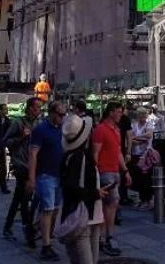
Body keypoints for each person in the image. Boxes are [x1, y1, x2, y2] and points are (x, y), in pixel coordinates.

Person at [59, 111, 106, 264]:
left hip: (89, 216)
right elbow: (70, 187)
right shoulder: (79, 157)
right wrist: (95, 192)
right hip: (82, 217)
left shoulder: (74, 155)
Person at [91, 101, 129, 257]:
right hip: (105, 171)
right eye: (119, 112)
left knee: (112, 205)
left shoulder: (116, 130)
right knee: (109, 206)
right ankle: (106, 238)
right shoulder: (101, 129)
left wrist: (125, 170)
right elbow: (95, 153)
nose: (121, 114)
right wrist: (95, 174)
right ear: (111, 112)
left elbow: (118, 151)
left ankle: (106, 237)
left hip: (114, 171)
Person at [31, 99, 68, 261]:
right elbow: (33, 154)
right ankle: (46, 245)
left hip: (59, 175)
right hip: (45, 175)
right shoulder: (40, 130)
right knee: (48, 209)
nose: (62, 117)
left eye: (64, 115)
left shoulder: (62, 128)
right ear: (52, 113)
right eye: (60, 115)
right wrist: (31, 178)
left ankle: (36, 229)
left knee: (54, 209)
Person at [3, 97, 41, 245]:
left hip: (33, 165)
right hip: (20, 165)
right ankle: (28, 230)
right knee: (24, 198)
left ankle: (8, 227)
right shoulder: (17, 122)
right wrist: (21, 137)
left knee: (20, 197)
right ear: (30, 108)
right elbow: (6, 141)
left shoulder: (39, 124)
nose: (39, 110)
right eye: (37, 107)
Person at [127, 107, 155, 210]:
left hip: (145, 156)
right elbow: (130, 138)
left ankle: (148, 200)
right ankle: (142, 199)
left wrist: (136, 138)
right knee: (138, 179)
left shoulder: (149, 124)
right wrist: (138, 139)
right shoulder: (134, 125)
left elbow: (149, 135)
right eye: (140, 115)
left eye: (143, 114)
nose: (142, 117)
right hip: (136, 155)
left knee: (146, 179)